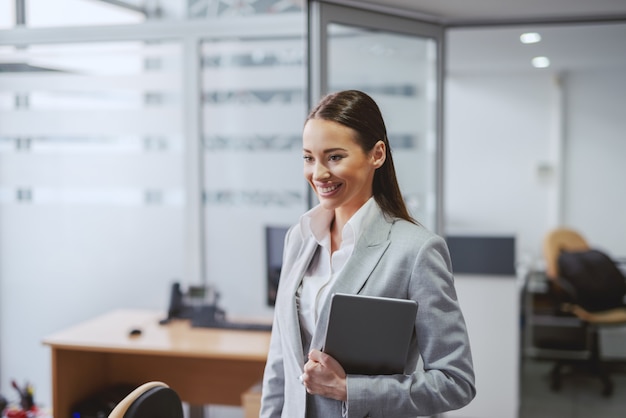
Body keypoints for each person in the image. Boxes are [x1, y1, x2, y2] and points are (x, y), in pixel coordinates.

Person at [260, 90, 475, 417]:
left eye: (334, 157)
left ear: (376, 154)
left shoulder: (416, 251)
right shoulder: (299, 239)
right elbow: (280, 364)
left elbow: (456, 381)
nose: (318, 173)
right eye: (308, 157)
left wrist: (349, 390)